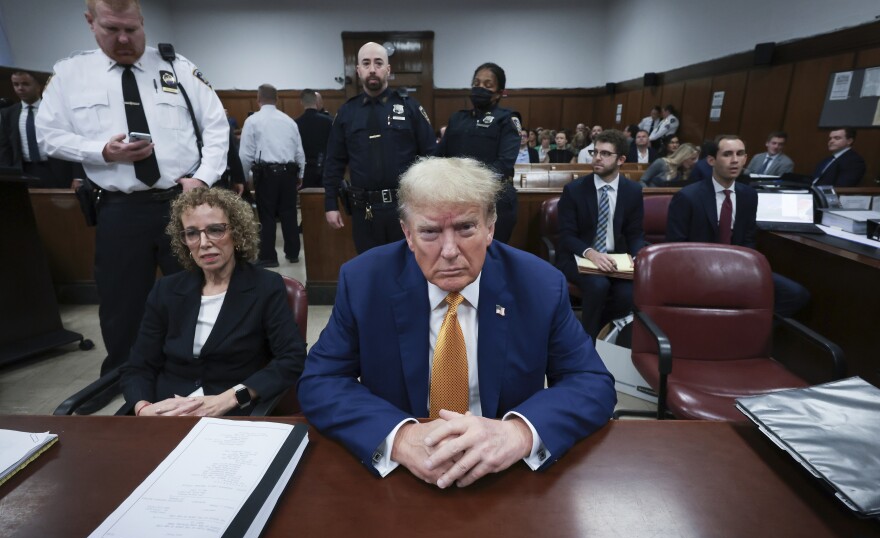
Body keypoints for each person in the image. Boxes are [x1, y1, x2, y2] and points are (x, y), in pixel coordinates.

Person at [298, 156, 616, 488]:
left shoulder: (539, 284)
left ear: (490, 227)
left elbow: (591, 382)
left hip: (505, 475)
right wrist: (401, 438)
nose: (449, 250)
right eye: (430, 232)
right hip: (399, 475)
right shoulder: (365, 281)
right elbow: (321, 381)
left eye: (465, 228)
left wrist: (518, 432)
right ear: (408, 234)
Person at [36, 0, 228, 414]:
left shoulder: (177, 68)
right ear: (91, 24)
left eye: (131, 29)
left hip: (181, 204)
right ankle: (127, 379)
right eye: (111, 29)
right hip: (120, 207)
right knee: (122, 303)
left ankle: (195, 371)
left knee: (197, 291)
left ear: (143, 22)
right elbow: (47, 135)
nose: (124, 39)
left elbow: (216, 126)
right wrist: (100, 151)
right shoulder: (72, 74)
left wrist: (203, 178)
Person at [120, 188, 306, 416]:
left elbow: (291, 359)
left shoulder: (266, 286)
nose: (204, 242)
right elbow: (139, 365)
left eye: (215, 230)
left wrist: (230, 398)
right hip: (163, 410)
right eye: (192, 233)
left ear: (237, 233)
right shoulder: (166, 289)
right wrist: (143, 409)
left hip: (229, 411)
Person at [666, 135, 809, 317]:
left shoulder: (748, 195)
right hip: (700, 270)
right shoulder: (688, 197)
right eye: (727, 154)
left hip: (738, 268)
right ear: (711, 160)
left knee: (796, 295)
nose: (735, 160)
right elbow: (676, 247)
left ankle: (750, 333)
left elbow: (748, 239)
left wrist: (747, 269)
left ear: (746, 159)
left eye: (740, 154)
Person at [323, 41, 436, 254]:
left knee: (409, 268)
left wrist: (431, 202)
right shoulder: (347, 113)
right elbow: (334, 162)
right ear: (358, 71)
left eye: (378, 63)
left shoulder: (410, 108)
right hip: (364, 211)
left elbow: (431, 158)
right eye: (366, 63)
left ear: (388, 69)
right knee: (370, 270)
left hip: (405, 207)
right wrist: (330, 204)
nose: (372, 69)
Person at [557, 130, 645, 338]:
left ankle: (607, 338)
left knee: (627, 293)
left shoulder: (632, 191)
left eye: (605, 154)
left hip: (616, 260)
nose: (597, 158)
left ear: (621, 159)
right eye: (595, 152)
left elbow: (635, 233)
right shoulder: (575, 190)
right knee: (598, 285)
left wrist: (636, 257)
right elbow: (567, 235)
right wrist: (592, 254)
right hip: (578, 257)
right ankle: (586, 341)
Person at [436, 62, 520, 244]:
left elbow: (504, 164)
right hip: (457, 198)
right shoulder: (457, 118)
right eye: (476, 83)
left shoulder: (507, 119)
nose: (480, 88)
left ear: (499, 92)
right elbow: (440, 157)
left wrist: (470, 184)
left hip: (494, 200)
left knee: (490, 255)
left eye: (488, 85)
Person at [239, 83, 306, 266]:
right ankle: (293, 254)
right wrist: (300, 174)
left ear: (258, 99)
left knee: (267, 215)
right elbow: (299, 152)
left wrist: (243, 179)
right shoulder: (289, 121)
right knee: (290, 213)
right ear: (277, 99)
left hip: (266, 175)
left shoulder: (253, 121)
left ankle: (268, 257)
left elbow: (245, 154)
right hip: (289, 173)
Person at [0, 71, 74, 188]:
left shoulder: (55, 109)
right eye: (16, 84)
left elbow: (71, 141)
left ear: (38, 86)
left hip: (55, 169)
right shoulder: (8, 114)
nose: (20, 88)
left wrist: (78, 176)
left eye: (25, 84)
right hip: (24, 170)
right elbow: (5, 148)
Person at [296, 88, 333, 189]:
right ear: (315, 101)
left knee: (307, 201)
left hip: (305, 170)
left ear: (301, 102)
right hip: (326, 168)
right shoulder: (329, 121)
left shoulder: (296, 124)